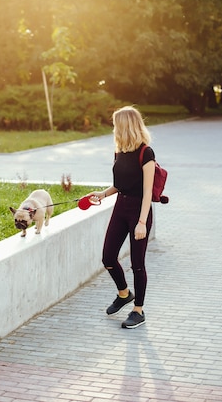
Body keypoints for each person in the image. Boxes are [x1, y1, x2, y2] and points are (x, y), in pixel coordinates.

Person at [87, 106, 155, 329]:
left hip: (138, 210)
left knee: (137, 263)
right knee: (108, 257)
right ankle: (124, 293)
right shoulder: (119, 151)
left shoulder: (146, 153)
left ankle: (139, 310)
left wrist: (142, 222)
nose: (114, 128)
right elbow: (118, 184)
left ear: (126, 126)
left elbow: (148, 192)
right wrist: (102, 194)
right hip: (120, 207)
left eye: (116, 124)